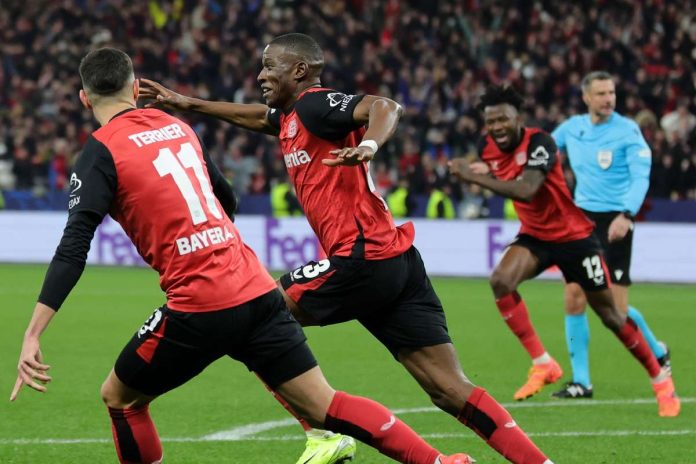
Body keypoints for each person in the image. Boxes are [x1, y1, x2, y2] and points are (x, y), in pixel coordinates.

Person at [9, 47, 476, 464]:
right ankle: (439, 462)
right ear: (136, 87)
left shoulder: (98, 152)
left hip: (199, 306)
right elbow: (226, 198)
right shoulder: (178, 127)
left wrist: (33, 333)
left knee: (121, 399)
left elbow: (75, 246)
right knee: (325, 406)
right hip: (254, 288)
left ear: (84, 99)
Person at [140, 33, 554, 464]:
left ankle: (321, 434)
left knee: (252, 317)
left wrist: (370, 144)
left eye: (270, 66)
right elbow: (261, 118)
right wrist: (187, 103)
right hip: (396, 262)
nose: (261, 74)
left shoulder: (315, 104)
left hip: (361, 260)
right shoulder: (291, 117)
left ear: (299, 71)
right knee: (450, 389)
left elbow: (384, 106)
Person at [448, 84, 680, 417]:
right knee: (501, 281)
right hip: (536, 236)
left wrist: (473, 176)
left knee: (612, 315)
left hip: (574, 238)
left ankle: (661, 381)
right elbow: (502, 169)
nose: (496, 127)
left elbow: (527, 190)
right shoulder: (487, 147)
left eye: (503, 119)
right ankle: (544, 364)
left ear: (519, 119)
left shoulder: (541, 142)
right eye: (490, 121)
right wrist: (485, 169)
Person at [551, 71, 671, 399]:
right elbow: (543, 150)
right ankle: (581, 382)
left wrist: (627, 215)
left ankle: (657, 351)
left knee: (615, 310)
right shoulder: (572, 128)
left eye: (612, 92)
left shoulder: (628, 131)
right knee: (574, 296)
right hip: (581, 222)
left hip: (616, 222)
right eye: (601, 93)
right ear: (586, 97)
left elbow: (640, 177)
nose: (608, 99)